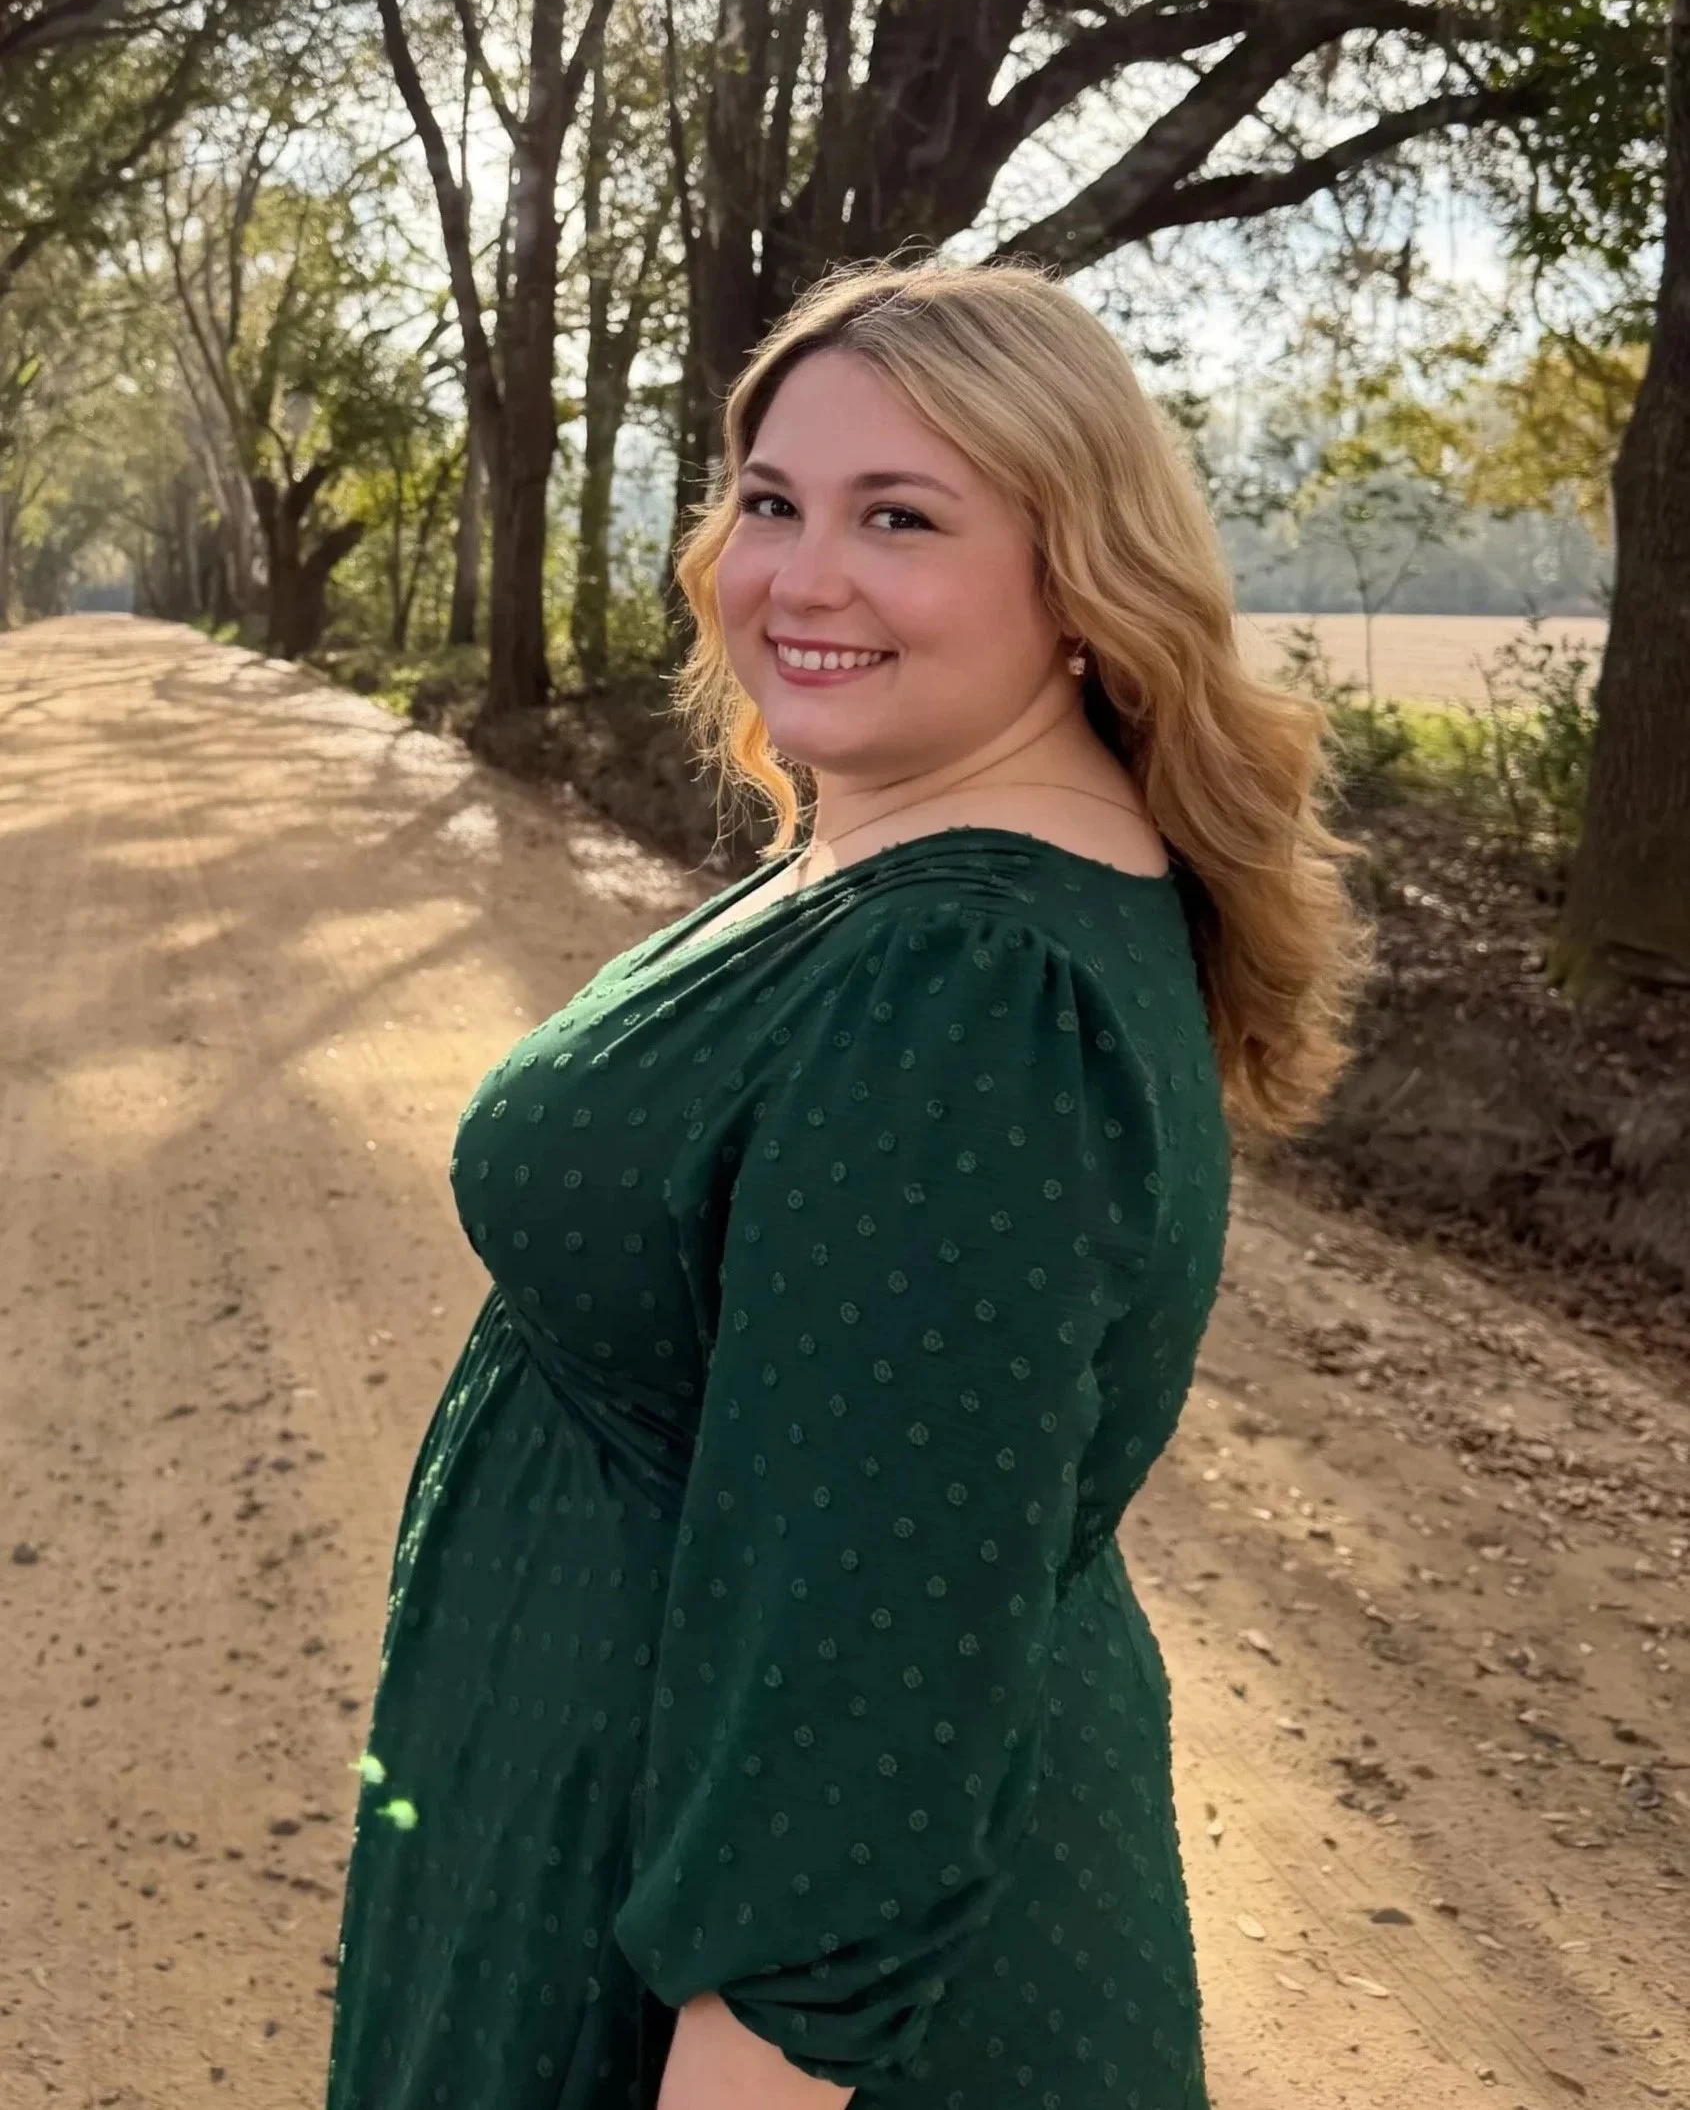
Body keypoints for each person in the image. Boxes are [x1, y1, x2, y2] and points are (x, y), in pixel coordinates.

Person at [322, 256, 1372, 2110]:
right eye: (770, 502)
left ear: (1078, 579)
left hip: (728, 1976)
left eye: (899, 517)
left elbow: (870, 1662)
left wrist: (748, 2063)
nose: (798, 577)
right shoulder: (897, 856)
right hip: (613, 1835)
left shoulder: (968, 995)